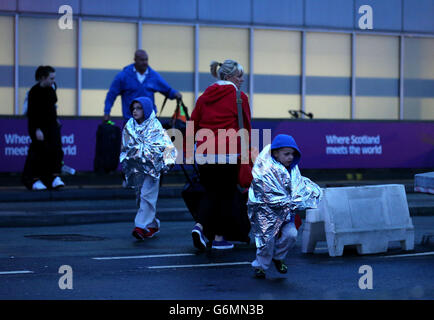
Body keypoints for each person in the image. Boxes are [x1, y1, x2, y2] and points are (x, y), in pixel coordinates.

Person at [190, 59, 252, 250]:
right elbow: (247, 127)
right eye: (239, 76)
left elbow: (192, 124)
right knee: (226, 196)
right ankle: (216, 237)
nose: (242, 80)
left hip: (204, 153)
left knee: (211, 193)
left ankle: (203, 229)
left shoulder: (203, 97)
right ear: (228, 76)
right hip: (228, 153)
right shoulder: (240, 97)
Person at [248, 134, 323, 278]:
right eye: (286, 154)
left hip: (286, 215)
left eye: (292, 154)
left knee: (292, 235)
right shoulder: (266, 169)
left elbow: (297, 186)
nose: (290, 157)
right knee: (267, 242)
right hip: (267, 214)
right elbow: (262, 189)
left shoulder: (293, 170)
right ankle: (261, 266)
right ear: (275, 153)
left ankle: (278, 257)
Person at [120, 97, 177, 240]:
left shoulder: (155, 126)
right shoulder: (129, 126)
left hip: (153, 168)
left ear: (145, 109)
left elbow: (167, 145)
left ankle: (140, 226)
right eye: (133, 108)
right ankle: (152, 224)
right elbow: (125, 147)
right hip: (136, 168)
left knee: (147, 195)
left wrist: (169, 161)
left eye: (139, 108)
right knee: (141, 197)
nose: (135, 111)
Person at [104, 49, 182, 122]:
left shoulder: (154, 76)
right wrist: (107, 112)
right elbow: (111, 95)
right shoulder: (123, 76)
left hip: (149, 121)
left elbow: (167, 90)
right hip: (130, 120)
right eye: (142, 60)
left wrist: (175, 94)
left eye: (146, 60)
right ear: (135, 60)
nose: (145, 62)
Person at [22, 66, 65, 191]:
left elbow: (52, 107)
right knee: (39, 152)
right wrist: (37, 129)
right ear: (42, 78)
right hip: (39, 127)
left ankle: (53, 177)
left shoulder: (51, 89)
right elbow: (32, 113)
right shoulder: (34, 92)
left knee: (56, 150)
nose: (53, 81)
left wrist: (56, 119)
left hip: (51, 125)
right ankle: (34, 179)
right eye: (51, 78)